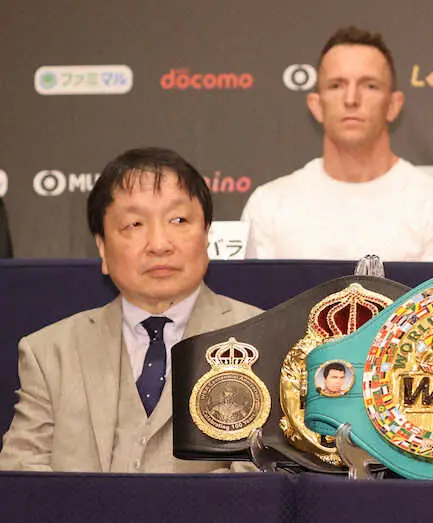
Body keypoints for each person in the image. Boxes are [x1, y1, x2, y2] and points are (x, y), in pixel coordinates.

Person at [0, 147, 261, 473]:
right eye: (134, 224)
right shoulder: (50, 352)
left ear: (207, 235)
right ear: (102, 248)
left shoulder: (262, 338)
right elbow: (21, 475)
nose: (159, 244)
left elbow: (264, 479)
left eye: (178, 220)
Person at [241, 26, 433, 262]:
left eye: (369, 85)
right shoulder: (268, 205)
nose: (351, 99)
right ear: (316, 105)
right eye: (336, 85)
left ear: (393, 105)